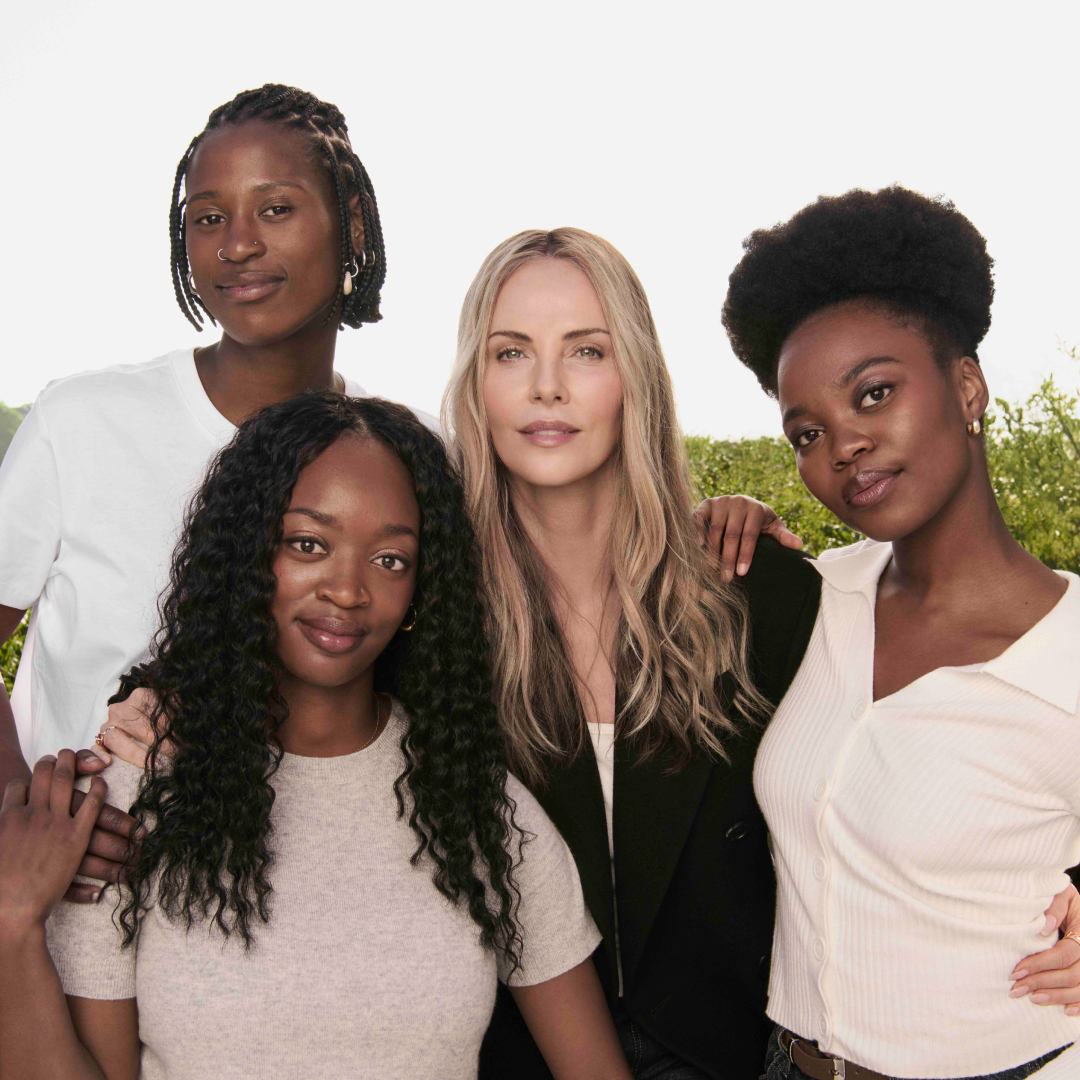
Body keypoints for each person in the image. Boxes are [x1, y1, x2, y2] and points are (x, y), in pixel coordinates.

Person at [104, 227, 1080, 1080]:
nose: (547, 386)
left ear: (635, 378)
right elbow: (283, 638)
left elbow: (935, 753)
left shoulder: (765, 594)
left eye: (586, 350)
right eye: (511, 351)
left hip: (749, 1056)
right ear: (475, 383)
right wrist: (156, 695)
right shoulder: (430, 608)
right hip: (513, 1054)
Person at [0, 393, 632, 1080]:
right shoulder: (128, 805)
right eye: (308, 544)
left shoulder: (481, 810)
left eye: (391, 560)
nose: (348, 590)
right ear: (247, 556)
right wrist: (10, 925)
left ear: (423, 589)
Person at [0, 84, 437, 899]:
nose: (236, 244)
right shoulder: (85, 420)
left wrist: (714, 520)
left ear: (352, 224)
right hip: (76, 911)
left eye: (275, 209)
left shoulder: (407, 455)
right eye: (207, 217)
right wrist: (17, 804)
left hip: (283, 922)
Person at [721, 186, 1080, 1079]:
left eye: (874, 394)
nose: (841, 446)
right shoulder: (807, 603)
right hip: (786, 1063)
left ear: (966, 387)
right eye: (807, 431)